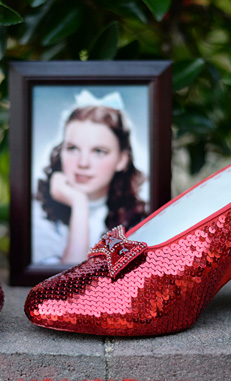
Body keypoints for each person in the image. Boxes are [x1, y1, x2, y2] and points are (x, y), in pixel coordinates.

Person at [32, 92, 147, 265]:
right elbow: (69, 281)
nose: (83, 163)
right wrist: (79, 203)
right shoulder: (37, 213)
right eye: (72, 148)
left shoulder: (137, 216)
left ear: (121, 159)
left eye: (99, 151)